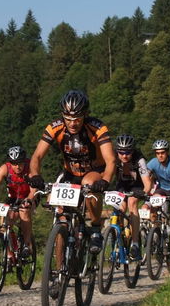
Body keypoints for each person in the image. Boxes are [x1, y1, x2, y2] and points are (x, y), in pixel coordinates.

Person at [28, 90, 116, 254]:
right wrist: (35, 174)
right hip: (70, 173)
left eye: (77, 119)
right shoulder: (55, 127)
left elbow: (110, 160)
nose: (72, 123)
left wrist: (105, 180)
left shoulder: (97, 127)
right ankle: (60, 271)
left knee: (89, 184)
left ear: (85, 115)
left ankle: (96, 228)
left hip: (94, 171)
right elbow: (37, 156)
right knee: (60, 215)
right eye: (68, 119)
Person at [143, 139, 170, 263]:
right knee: (153, 205)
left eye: (162, 152)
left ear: (167, 152)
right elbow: (146, 177)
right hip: (162, 190)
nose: (160, 155)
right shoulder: (152, 163)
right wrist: (145, 191)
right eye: (157, 153)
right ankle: (156, 233)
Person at [113, 134, 152, 258]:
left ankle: (135, 243)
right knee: (119, 208)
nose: (124, 156)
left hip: (137, 186)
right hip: (122, 185)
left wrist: (144, 192)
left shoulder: (139, 160)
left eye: (128, 152)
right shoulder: (113, 158)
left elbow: (147, 183)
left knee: (132, 203)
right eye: (121, 152)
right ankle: (117, 239)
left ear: (133, 151)